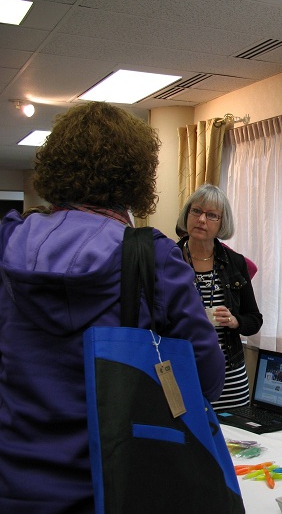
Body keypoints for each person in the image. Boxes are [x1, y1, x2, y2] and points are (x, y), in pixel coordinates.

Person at [0, 102, 226, 513]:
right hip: (114, 485)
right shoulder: (152, 257)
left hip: (13, 479)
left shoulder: (9, 242)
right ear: (136, 176)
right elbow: (206, 379)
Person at [177, 184, 263, 410]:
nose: (201, 219)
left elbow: (254, 320)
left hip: (230, 377)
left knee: (234, 433)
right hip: (182, 373)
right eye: (196, 211)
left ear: (222, 223)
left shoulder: (235, 263)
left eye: (211, 215)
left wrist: (235, 321)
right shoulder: (169, 259)